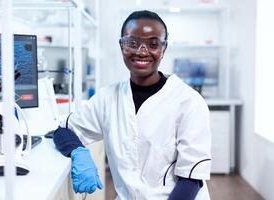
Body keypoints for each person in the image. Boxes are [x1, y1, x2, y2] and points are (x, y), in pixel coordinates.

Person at [53, 10, 211, 200]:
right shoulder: (107, 98)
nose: (142, 51)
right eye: (132, 43)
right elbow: (62, 131)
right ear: (122, 46)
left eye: (153, 44)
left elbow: (191, 181)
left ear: (164, 49)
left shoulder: (189, 102)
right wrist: (78, 152)